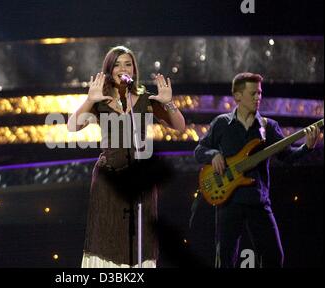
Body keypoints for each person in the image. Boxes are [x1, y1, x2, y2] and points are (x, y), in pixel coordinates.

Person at [68, 45, 185, 268]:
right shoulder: (99, 100)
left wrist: (168, 102)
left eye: (128, 64)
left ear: (134, 70)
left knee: (139, 236)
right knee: (108, 235)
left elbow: (179, 126)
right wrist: (90, 100)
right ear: (109, 70)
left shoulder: (145, 100)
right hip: (109, 181)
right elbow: (72, 126)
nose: (123, 68)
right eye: (117, 64)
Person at [194, 72, 320, 268]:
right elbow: (199, 150)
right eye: (253, 93)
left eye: (260, 93)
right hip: (228, 202)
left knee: (274, 258)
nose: (258, 98)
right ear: (237, 96)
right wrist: (213, 155)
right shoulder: (221, 124)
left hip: (258, 200)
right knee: (225, 260)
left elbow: (287, 156)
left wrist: (307, 147)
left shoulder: (268, 126)